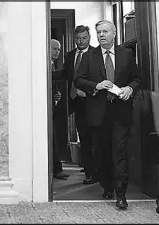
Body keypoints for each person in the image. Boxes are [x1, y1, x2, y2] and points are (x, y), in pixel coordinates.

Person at [74, 20, 141, 209]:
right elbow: (78, 79)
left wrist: (130, 88)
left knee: (119, 152)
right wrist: (95, 85)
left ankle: (121, 194)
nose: (101, 35)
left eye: (105, 31)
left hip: (121, 111)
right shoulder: (90, 56)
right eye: (99, 32)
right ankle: (107, 186)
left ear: (114, 33)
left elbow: (137, 78)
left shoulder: (126, 54)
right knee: (101, 153)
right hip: (98, 112)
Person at [55, 25, 96, 185]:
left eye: (84, 38)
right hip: (71, 99)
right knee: (59, 127)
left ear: (89, 37)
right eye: (78, 38)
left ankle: (92, 172)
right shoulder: (70, 55)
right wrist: (46, 73)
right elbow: (66, 73)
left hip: (89, 101)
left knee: (89, 137)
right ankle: (60, 165)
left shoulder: (95, 54)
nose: (81, 41)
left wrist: (89, 91)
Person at [50, 39, 70, 180]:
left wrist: (57, 93)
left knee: (54, 135)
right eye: (55, 49)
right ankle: (56, 169)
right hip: (47, 106)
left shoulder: (52, 64)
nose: (58, 52)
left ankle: (56, 168)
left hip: (53, 104)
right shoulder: (46, 63)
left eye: (59, 49)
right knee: (51, 136)